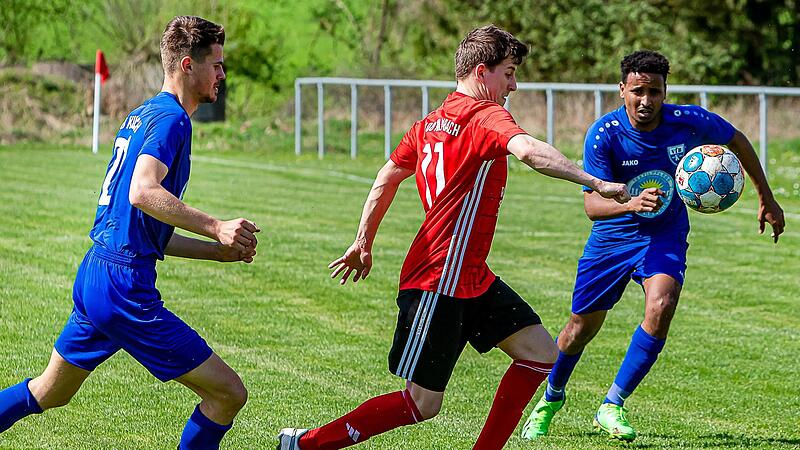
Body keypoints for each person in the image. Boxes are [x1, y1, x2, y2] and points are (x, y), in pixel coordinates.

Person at [277, 25, 629, 450]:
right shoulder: (485, 116)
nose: (513, 85)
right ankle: (308, 444)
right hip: (439, 278)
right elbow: (530, 151)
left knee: (541, 355)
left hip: (472, 277)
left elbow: (387, 176)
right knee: (422, 403)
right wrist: (597, 182)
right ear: (482, 73)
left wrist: (363, 241)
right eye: (509, 73)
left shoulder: (430, 123)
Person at [0, 16, 260, 449]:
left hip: (98, 274)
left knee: (50, 391)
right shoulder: (172, 120)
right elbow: (142, 192)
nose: (222, 74)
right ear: (186, 66)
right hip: (123, 286)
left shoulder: (143, 114)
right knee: (228, 393)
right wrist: (216, 226)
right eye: (215, 64)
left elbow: (142, 229)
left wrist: (216, 251)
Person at [521, 50, 786, 442]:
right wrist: (628, 203)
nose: (646, 101)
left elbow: (737, 139)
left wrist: (766, 195)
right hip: (611, 240)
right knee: (580, 329)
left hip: (664, 233)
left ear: (665, 91)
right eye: (638, 91)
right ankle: (552, 397)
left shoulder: (688, 122)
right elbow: (592, 206)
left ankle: (612, 404)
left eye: (655, 92)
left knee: (661, 306)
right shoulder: (604, 133)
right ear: (622, 89)